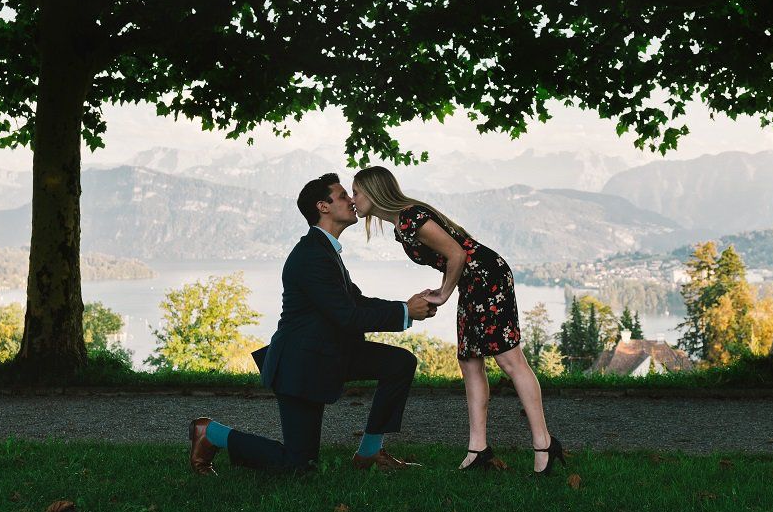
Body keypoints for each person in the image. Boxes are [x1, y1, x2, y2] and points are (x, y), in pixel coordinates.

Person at [187, 173, 436, 475]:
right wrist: (405, 312)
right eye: (344, 195)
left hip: (330, 353)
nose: (352, 201)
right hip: (300, 364)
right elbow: (347, 316)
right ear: (324, 206)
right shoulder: (311, 255)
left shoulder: (325, 251)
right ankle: (210, 433)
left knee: (399, 363)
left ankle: (369, 453)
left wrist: (406, 308)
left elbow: (355, 303)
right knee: (299, 465)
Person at [351, 166, 564, 474]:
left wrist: (443, 294)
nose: (353, 198)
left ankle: (544, 444)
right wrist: (444, 287)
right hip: (473, 282)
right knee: (469, 361)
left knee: (510, 361)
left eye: (356, 192)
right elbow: (451, 256)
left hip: (488, 277)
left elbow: (458, 254)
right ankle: (478, 450)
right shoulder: (401, 225)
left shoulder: (411, 218)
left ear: (373, 192)